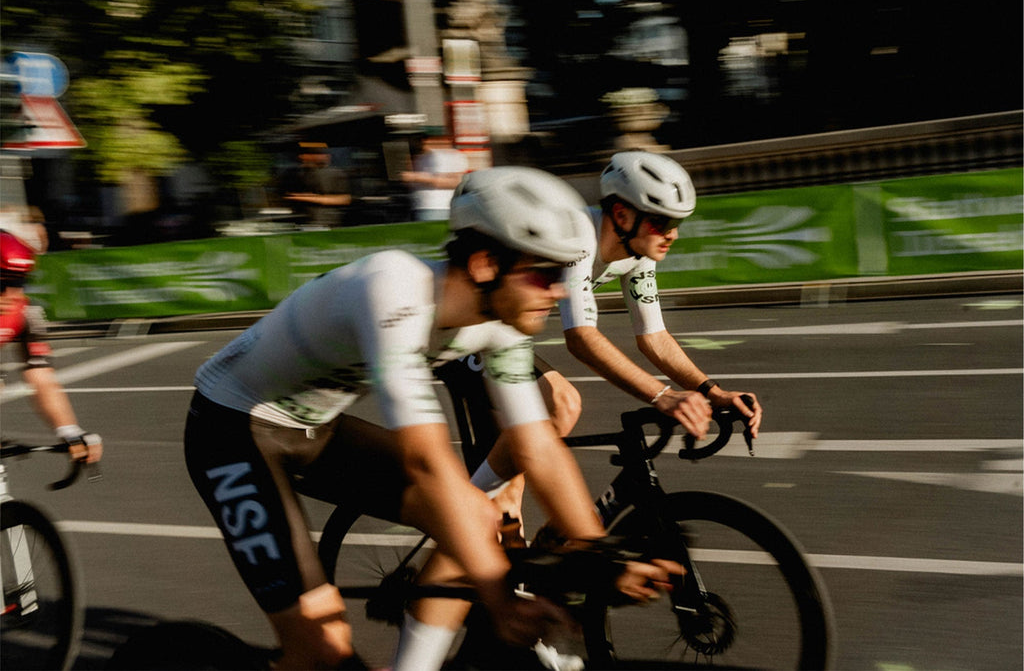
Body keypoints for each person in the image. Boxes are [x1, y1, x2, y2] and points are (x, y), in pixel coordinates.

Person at [183, 166, 676, 670]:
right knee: (322, 647)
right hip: (231, 429)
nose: (562, 291)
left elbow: (537, 447)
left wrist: (598, 556)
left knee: (481, 519)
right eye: (544, 275)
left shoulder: (499, 324)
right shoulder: (395, 291)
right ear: (485, 264)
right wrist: (498, 597)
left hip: (314, 427)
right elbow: (427, 463)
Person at [560, 150, 763, 438]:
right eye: (663, 224)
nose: (673, 235)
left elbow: (653, 337)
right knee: (561, 403)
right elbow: (580, 337)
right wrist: (663, 396)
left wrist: (713, 393)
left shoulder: (639, 252)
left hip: (503, 332)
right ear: (621, 215)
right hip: (478, 327)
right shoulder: (578, 233)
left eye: (677, 224)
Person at [0, 230, 103, 465]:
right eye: (2, 283)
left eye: (19, 282)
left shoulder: (26, 313)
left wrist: (69, 430)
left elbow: (42, 378)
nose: (12, 294)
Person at [280, 142, 352, 228]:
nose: (303, 157)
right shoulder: (296, 174)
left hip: (327, 223)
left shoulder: (335, 173)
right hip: (303, 222)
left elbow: (344, 199)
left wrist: (308, 198)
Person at [401, 134, 470, 222]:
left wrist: (417, 177)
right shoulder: (422, 157)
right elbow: (410, 182)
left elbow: (456, 182)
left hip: (438, 208)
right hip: (420, 206)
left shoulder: (452, 156)